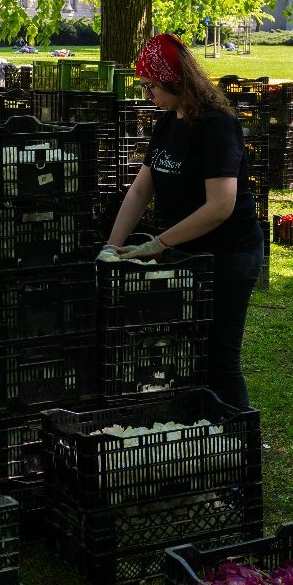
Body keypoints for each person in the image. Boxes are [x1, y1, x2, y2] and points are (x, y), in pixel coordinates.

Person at [104, 33, 264, 409]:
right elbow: (141, 191)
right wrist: (111, 247)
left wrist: (158, 244)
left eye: (151, 86)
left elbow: (220, 206)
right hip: (188, 253)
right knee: (189, 351)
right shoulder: (166, 124)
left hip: (229, 255)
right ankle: (204, 431)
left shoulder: (217, 127)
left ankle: (238, 440)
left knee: (220, 359)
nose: (148, 96)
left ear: (175, 80)